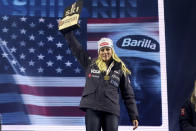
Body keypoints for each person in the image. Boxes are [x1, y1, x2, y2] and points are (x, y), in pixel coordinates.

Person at [62, 30, 139, 131]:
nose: (105, 52)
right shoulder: (90, 63)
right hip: (92, 107)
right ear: (99, 52)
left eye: (107, 49)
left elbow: (128, 94)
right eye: (102, 50)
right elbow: (77, 49)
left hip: (111, 109)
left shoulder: (120, 69)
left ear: (112, 50)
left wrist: (134, 116)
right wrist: (67, 33)